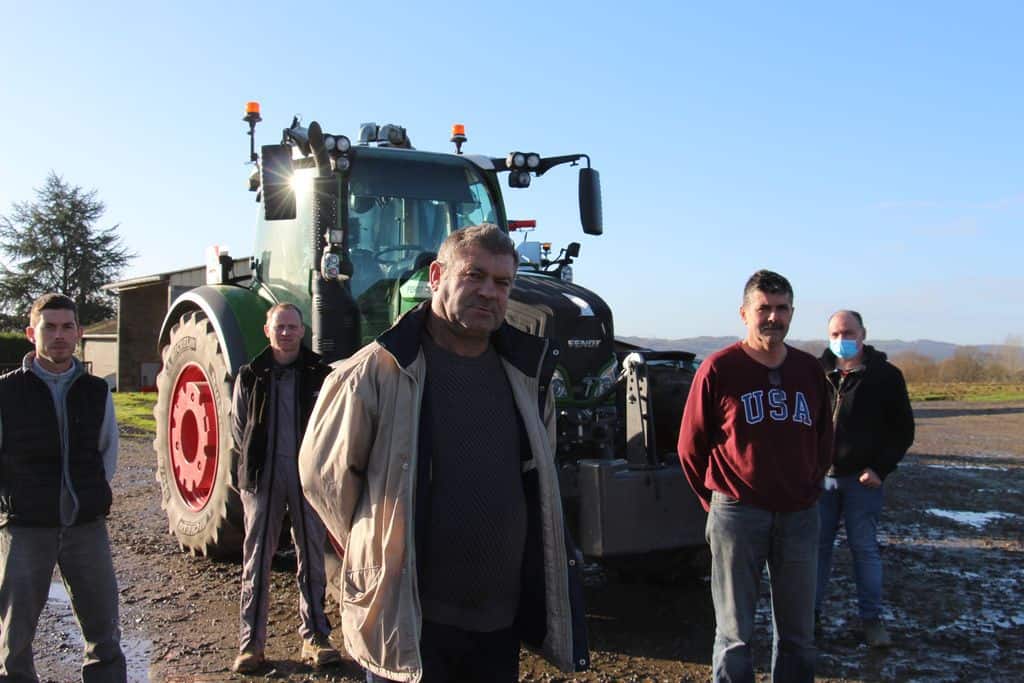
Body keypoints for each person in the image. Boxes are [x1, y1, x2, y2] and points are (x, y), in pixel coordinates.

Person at [298, 224, 588, 683]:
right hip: (413, 621)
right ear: (436, 275)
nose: (489, 293)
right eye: (474, 275)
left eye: (502, 282)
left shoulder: (528, 376)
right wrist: (376, 546)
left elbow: (538, 469)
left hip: (498, 622)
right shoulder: (374, 372)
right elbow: (325, 480)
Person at [677, 270, 833, 683]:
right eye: (763, 308)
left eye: (781, 309)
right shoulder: (718, 369)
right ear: (744, 313)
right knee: (734, 633)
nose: (772, 317)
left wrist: (810, 484)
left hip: (799, 514)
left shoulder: (808, 370)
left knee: (799, 632)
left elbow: (824, 437)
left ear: (792, 313)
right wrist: (714, 500)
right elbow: (689, 446)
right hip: (738, 512)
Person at [0, 293, 127, 682]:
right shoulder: (6, 391)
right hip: (25, 530)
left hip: (85, 529)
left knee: (104, 635)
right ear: (30, 333)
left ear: (79, 333)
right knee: (15, 639)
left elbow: (108, 451)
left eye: (66, 327)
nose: (59, 335)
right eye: (49, 327)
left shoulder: (95, 390)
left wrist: (88, 496)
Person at [230, 303, 341, 673]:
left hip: (308, 480)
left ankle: (315, 637)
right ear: (267, 330)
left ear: (302, 330)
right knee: (257, 558)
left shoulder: (319, 375)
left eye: (292, 327)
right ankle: (251, 645)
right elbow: (239, 428)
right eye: (279, 327)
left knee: (311, 555)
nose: (286, 333)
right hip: (263, 478)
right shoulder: (251, 375)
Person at [815, 310, 914, 648]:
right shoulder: (815, 373)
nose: (841, 339)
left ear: (863, 333)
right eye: (835, 333)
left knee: (865, 551)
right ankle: (810, 619)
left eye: (848, 332)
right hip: (820, 483)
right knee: (816, 552)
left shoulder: (885, 376)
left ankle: (872, 621)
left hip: (862, 482)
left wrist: (880, 468)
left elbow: (902, 430)